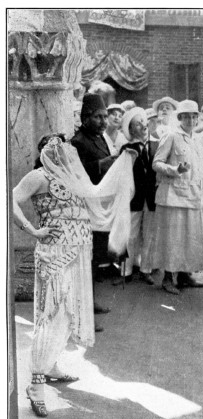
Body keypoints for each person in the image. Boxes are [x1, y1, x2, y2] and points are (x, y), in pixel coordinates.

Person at [13, 135, 95, 417]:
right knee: (52, 313)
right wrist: (32, 230)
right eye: (56, 149)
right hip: (54, 253)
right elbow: (9, 197)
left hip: (78, 252)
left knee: (68, 313)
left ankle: (51, 365)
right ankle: (35, 383)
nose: (63, 153)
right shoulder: (38, 176)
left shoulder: (73, 178)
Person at [152, 99, 203, 294]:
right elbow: (157, 163)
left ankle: (185, 275)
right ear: (179, 118)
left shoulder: (199, 139)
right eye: (187, 116)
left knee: (191, 237)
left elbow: (198, 165)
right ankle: (168, 278)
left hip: (193, 195)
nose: (191, 120)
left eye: (194, 116)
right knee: (173, 239)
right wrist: (175, 169)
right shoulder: (171, 136)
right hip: (173, 196)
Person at [71, 94, 118, 328]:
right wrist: (103, 164)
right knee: (84, 263)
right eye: (98, 117)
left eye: (105, 117)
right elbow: (75, 175)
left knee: (93, 260)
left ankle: (89, 303)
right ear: (86, 117)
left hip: (98, 208)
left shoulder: (100, 138)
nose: (103, 121)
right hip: (84, 210)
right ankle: (82, 316)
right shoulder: (78, 141)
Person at [118, 107, 157, 284]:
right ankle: (126, 270)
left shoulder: (154, 145)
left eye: (144, 121)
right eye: (138, 123)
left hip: (151, 197)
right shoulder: (127, 148)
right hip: (134, 197)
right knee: (131, 234)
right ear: (131, 129)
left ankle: (145, 269)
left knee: (149, 234)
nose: (143, 125)